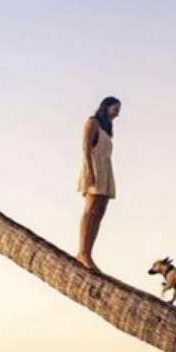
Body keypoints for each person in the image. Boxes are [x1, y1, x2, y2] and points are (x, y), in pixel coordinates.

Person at [76, 96, 121, 272]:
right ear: (106, 106)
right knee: (90, 210)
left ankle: (88, 252)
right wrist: (89, 171)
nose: (117, 112)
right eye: (115, 108)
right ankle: (82, 252)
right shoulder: (93, 122)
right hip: (94, 167)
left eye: (119, 109)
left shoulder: (108, 129)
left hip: (105, 169)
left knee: (99, 212)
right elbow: (86, 147)